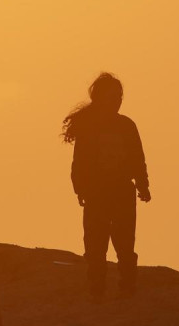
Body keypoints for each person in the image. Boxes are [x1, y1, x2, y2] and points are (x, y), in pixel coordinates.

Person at [62, 73, 150, 300]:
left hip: (122, 191)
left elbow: (138, 158)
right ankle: (97, 290)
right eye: (113, 97)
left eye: (120, 96)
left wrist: (143, 185)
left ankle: (128, 287)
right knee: (95, 246)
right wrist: (80, 189)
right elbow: (79, 161)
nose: (118, 101)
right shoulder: (88, 127)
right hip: (96, 193)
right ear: (100, 98)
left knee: (125, 244)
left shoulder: (127, 125)